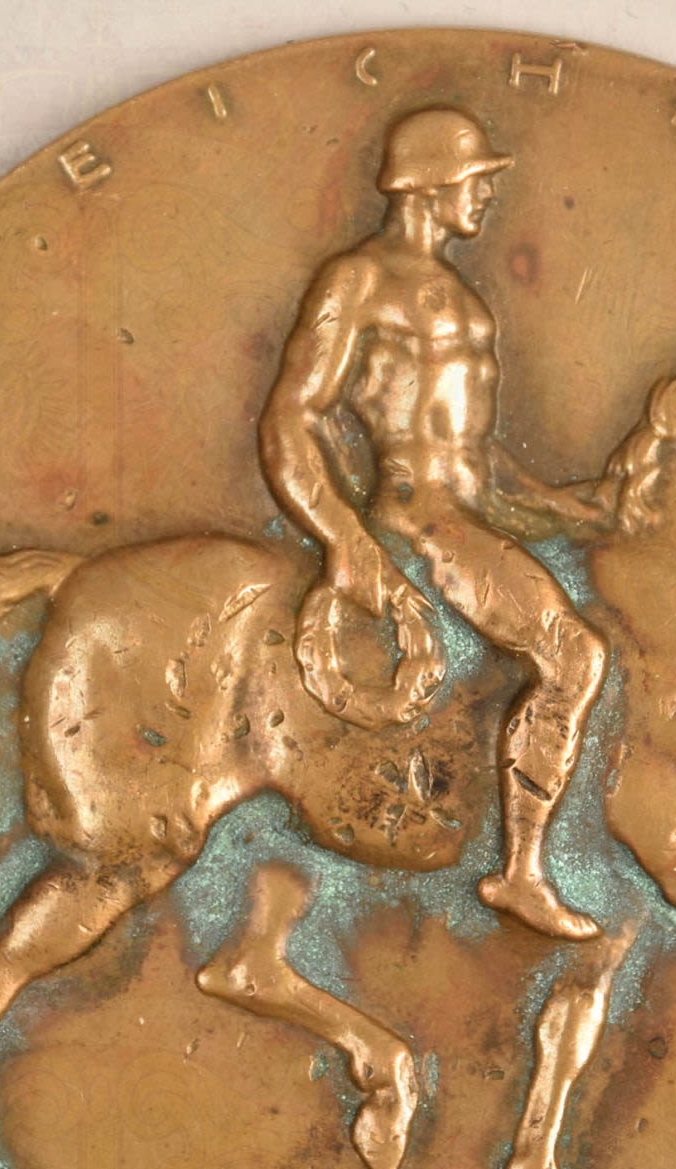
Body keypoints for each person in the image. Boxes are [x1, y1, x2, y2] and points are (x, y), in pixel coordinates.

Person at [260, 107, 610, 941]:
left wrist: (568, 503)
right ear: (428, 186)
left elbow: (473, 451)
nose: (485, 196)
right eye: (475, 181)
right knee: (574, 656)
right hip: (421, 524)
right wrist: (345, 539)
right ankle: (522, 873)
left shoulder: (458, 293)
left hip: (469, 512)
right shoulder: (358, 280)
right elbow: (291, 417)